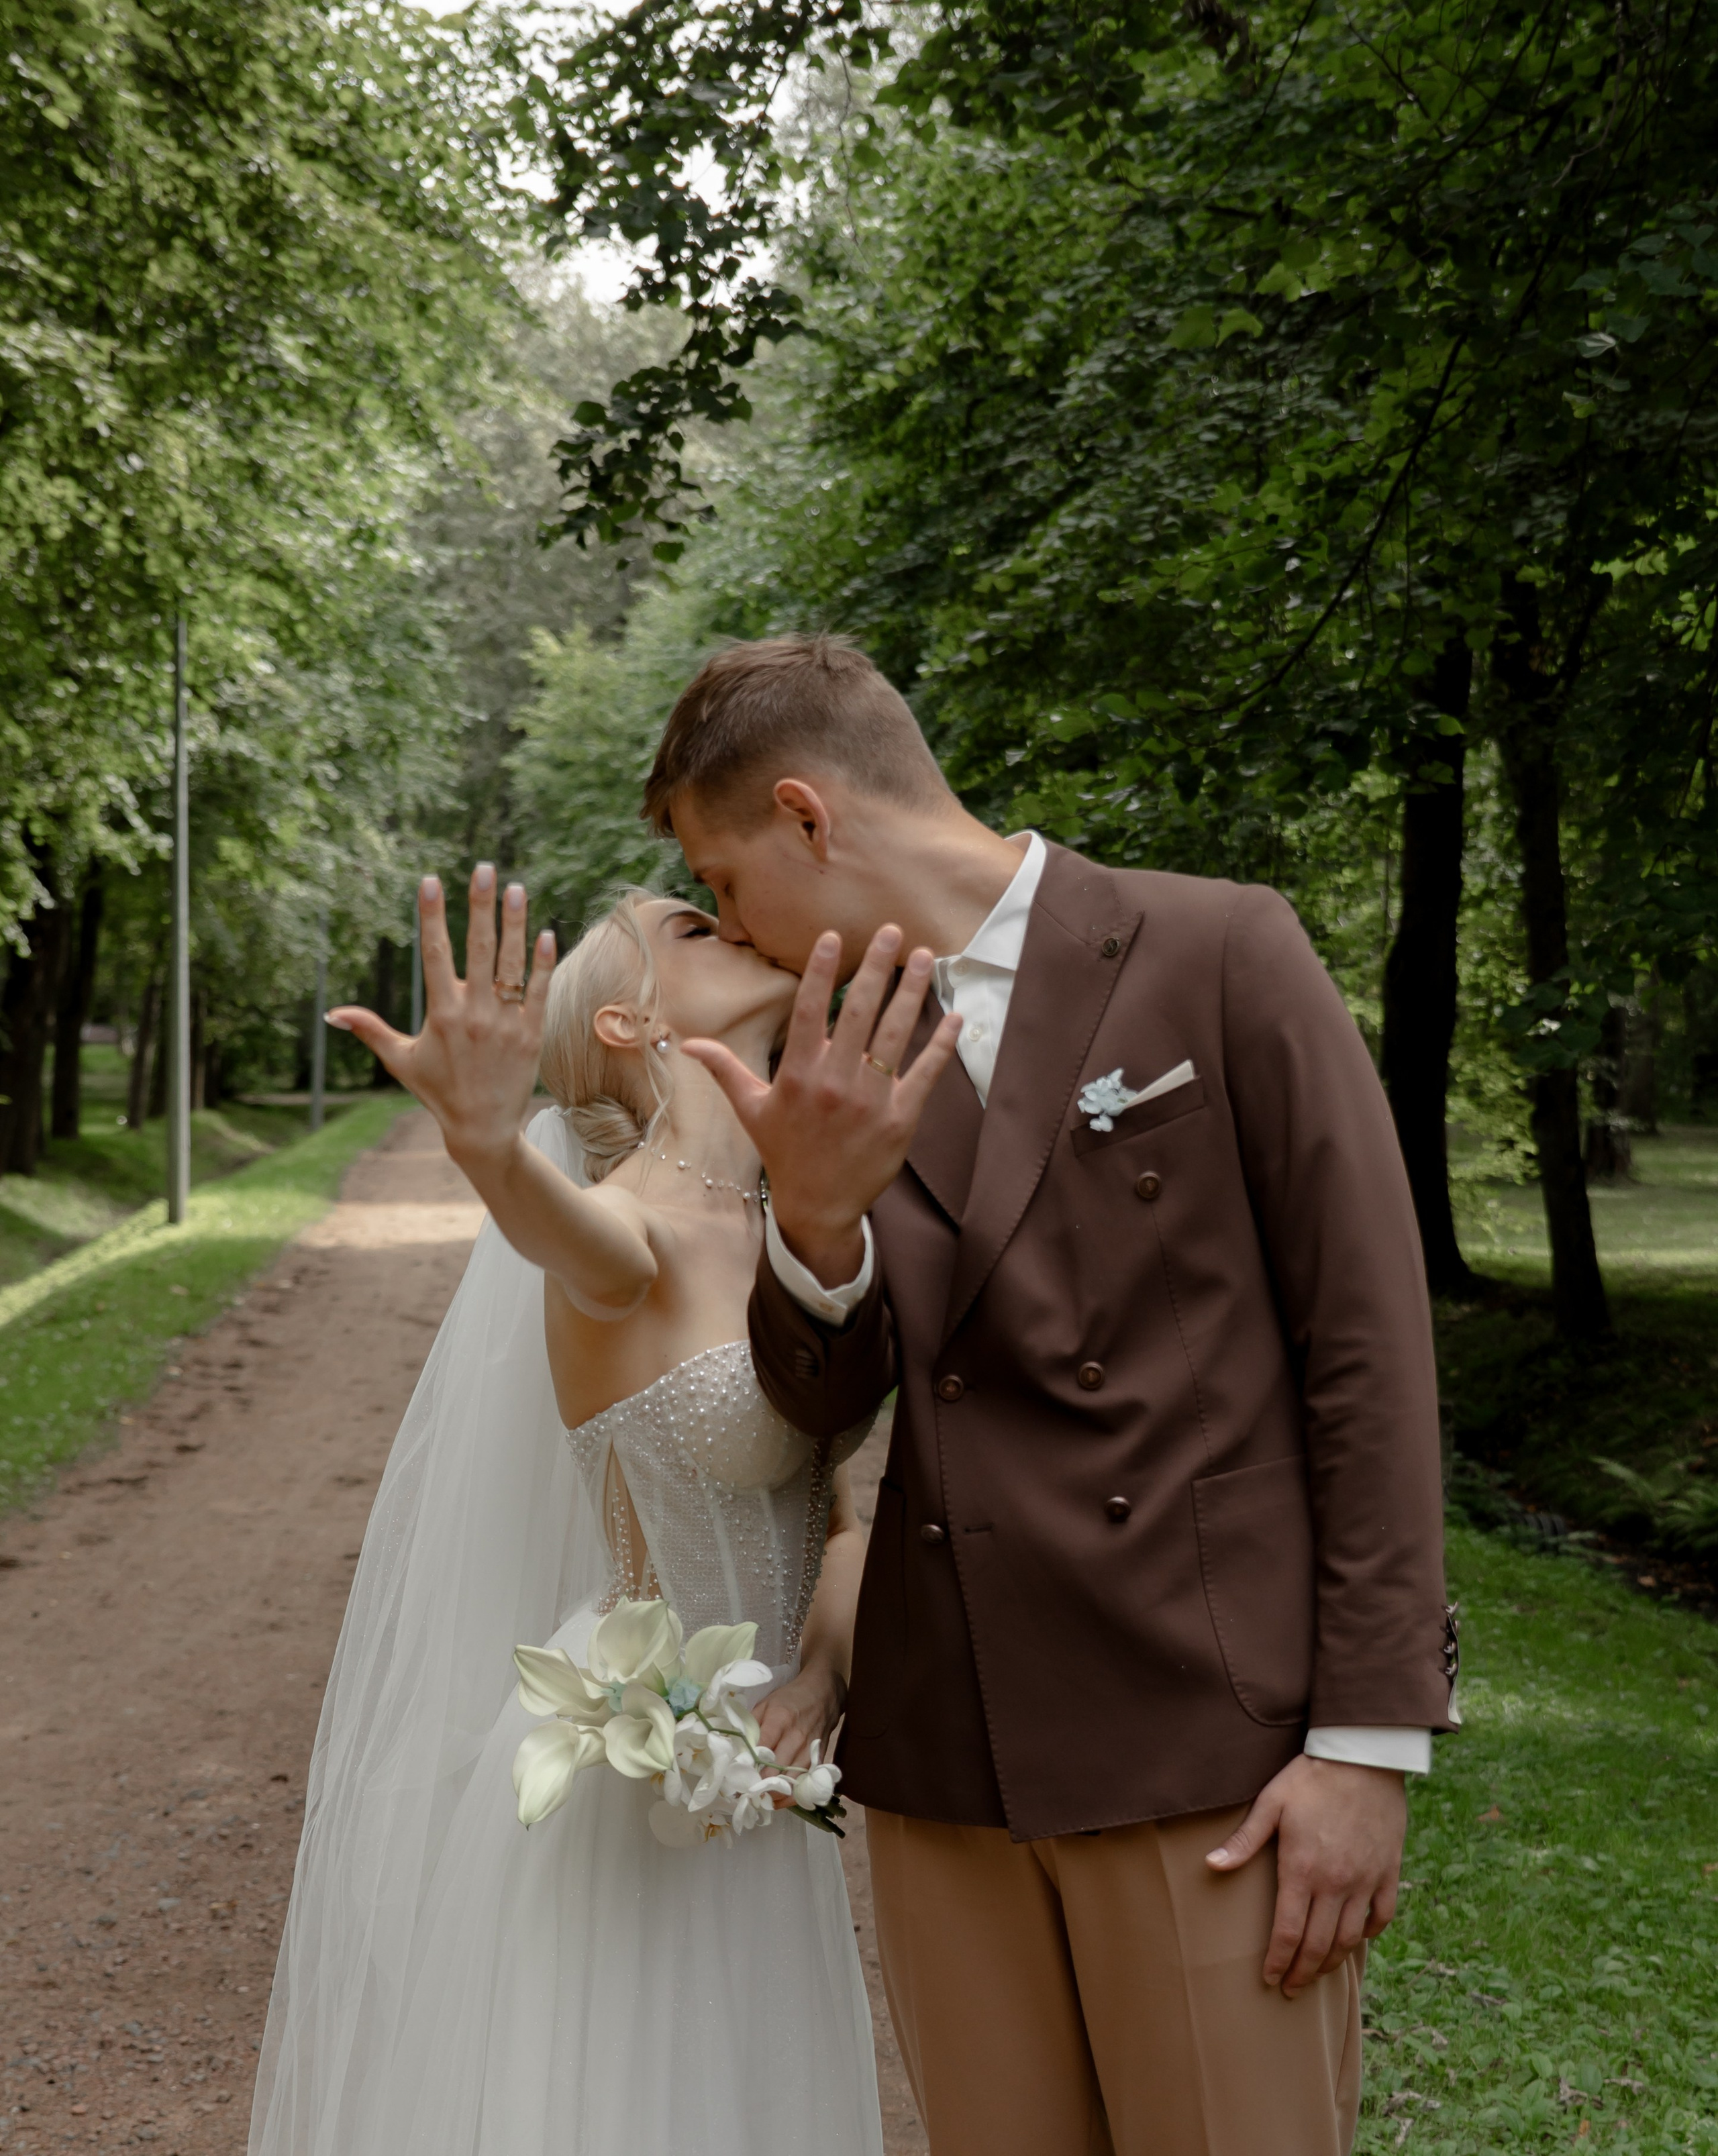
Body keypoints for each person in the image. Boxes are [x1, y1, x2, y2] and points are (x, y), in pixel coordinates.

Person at [646, 635, 1460, 2156]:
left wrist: (1364, 1741)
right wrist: (813, 1227)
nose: (732, 931)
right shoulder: (819, 1057)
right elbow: (824, 1399)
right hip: (946, 1754)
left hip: (1200, 1747)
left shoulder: (1218, 948)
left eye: (727, 875)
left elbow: (1367, 1350)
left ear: (811, 819)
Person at [248, 874, 893, 2156]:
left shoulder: (800, 1222)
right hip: (626, 1782)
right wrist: (488, 1148)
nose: (738, 920)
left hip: (762, 1778)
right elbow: (562, 1234)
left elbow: (845, 1504)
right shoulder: (627, 1234)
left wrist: (821, 1670)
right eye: (693, 928)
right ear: (629, 1025)